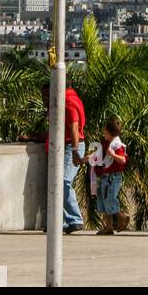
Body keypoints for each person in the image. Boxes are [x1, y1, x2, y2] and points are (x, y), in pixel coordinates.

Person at [41, 81, 87, 235]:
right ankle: (59, 221)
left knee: (62, 182)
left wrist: (74, 151)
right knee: (55, 183)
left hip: (70, 146)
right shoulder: (64, 100)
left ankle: (75, 219)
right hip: (61, 147)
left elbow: (74, 128)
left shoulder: (68, 102)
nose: (45, 99)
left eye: (48, 95)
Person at [87, 116, 129, 235]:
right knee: (103, 200)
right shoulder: (106, 144)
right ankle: (108, 226)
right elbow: (96, 157)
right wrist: (85, 159)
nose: (103, 133)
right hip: (105, 177)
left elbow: (122, 160)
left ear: (110, 133)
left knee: (109, 199)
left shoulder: (116, 146)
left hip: (113, 177)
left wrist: (112, 154)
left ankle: (122, 217)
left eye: (105, 131)